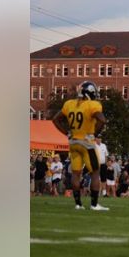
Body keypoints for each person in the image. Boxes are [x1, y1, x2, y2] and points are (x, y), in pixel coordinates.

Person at [52, 81, 109, 211]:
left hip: (73, 143)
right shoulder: (92, 105)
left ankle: (78, 204)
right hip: (87, 143)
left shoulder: (69, 104)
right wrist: (94, 133)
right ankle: (94, 205)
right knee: (95, 173)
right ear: (89, 93)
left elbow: (55, 119)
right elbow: (102, 120)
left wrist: (66, 132)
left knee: (76, 174)